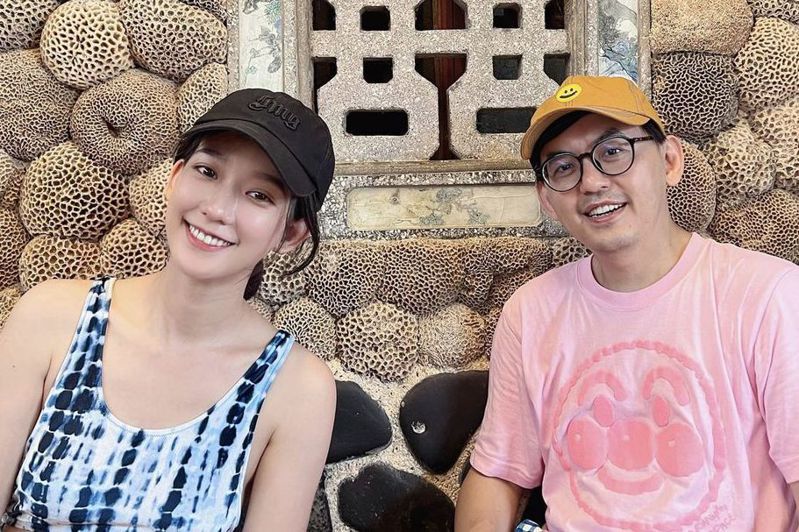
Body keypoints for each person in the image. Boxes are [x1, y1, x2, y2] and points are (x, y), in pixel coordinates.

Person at [455, 75, 799, 530]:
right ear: (547, 200)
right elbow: (499, 473)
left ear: (670, 160)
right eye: (563, 167)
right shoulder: (531, 311)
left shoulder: (770, 295)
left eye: (614, 150)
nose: (592, 182)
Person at [0, 89, 337, 531]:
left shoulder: (297, 389)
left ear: (290, 234)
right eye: (207, 171)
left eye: (259, 195)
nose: (216, 209)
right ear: (175, 178)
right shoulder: (50, 318)